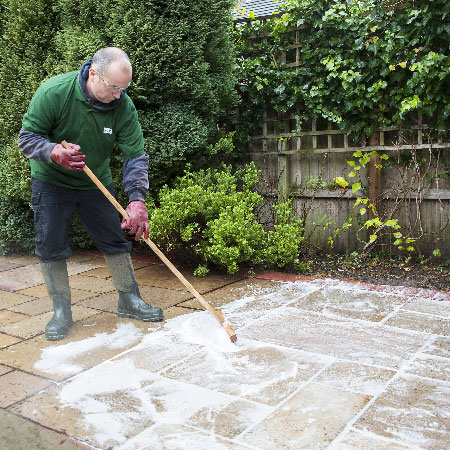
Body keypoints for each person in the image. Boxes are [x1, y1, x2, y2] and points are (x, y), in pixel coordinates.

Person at [18, 47, 163, 341]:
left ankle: (129, 300)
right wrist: (53, 152)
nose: (118, 95)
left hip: (96, 182)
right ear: (93, 74)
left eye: (124, 88)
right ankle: (61, 311)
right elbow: (27, 138)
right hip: (51, 180)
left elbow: (135, 156)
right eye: (113, 87)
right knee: (50, 244)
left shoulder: (123, 106)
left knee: (114, 238)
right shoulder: (55, 92)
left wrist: (137, 200)